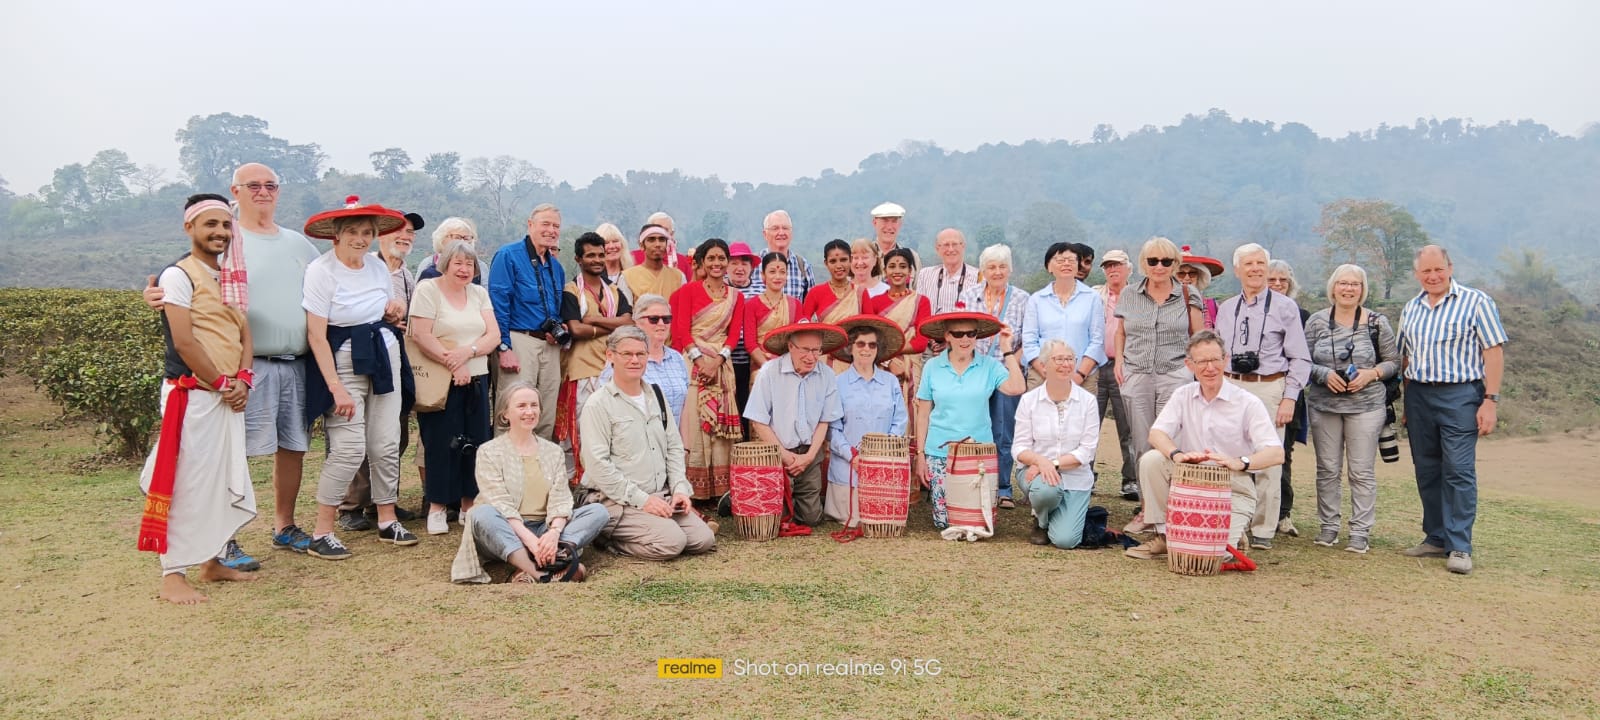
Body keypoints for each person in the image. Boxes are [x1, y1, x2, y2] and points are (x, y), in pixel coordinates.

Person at [144, 163, 323, 566]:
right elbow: (182, 282)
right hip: (242, 368)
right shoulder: (223, 239)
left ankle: (285, 525)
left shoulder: (299, 245)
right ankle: (222, 540)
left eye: (271, 185)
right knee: (230, 452)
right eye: (253, 185)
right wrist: (154, 294)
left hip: (294, 361)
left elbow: (328, 284)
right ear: (235, 191)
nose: (263, 192)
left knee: (293, 446)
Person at [140, 193, 259, 604]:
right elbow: (185, 342)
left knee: (218, 479)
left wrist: (242, 379)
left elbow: (244, 334)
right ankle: (172, 572)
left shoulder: (229, 276)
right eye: (211, 224)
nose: (220, 233)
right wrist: (224, 385)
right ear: (189, 228)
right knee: (186, 481)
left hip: (226, 394)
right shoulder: (178, 276)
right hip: (192, 397)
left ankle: (210, 561)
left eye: (226, 225)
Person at [301, 199, 420, 559]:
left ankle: (387, 517)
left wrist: (395, 308)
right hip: (343, 357)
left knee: (386, 442)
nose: (360, 238)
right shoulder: (320, 271)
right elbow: (316, 335)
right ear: (336, 235)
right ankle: (323, 529)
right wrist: (335, 386)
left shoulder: (376, 267)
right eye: (352, 232)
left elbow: (385, 307)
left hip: (384, 353)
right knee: (349, 448)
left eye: (366, 232)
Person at [1124, 330, 1285, 559]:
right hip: (1189, 480)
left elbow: (1276, 453)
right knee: (1152, 460)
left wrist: (1240, 462)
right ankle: (1164, 535)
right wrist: (1177, 454)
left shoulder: (1248, 402)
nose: (1210, 368)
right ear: (1190, 365)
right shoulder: (1183, 394)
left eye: (1215, 360)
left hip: (1231, 483)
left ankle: (1233, 535)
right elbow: (1157, 433)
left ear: (1225, 360)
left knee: (1211, 555)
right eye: (1202, 361)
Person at [1398, 245, 1507, 575]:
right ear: (1417, 274)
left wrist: (1491, 400)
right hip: (1418, 394)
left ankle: (1460, 546)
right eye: (1426, 271)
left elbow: (1494, 352)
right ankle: (1436, 536)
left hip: (1460, 394)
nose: (1433, 276)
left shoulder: (1476, 302)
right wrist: (1406, 401)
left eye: (1438, 270)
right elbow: (1405, 357)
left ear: (1450, 267)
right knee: (1427, 468)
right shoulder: (1411, 308)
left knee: (1458, 469)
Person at [580, 327, 716, 560]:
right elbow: (598, 466)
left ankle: (653, 526)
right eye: (627, 354)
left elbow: (673, 446)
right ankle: (607, 538)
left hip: (659, 495)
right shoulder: (597, 404)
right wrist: (643, 501)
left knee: (703, 539)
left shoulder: (656, 395)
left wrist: (680, 489)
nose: (635, 360)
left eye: (640, 354)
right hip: (615, 500)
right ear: (610, 356)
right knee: (672, 543)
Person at [451, 382, 608, 583]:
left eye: (534, 405)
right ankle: (538, 571)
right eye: (521, 406)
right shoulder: (489, 452)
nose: (529, 411)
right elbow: (501, 504)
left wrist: (553, 533)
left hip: (544, 527)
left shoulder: (553, 452)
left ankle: (550, 552)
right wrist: (531, 541)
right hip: (506, 529)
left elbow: (561, 499)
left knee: (598, 512)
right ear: (505, 414)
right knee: (481, 513)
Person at [1213, 243, 1312, 550]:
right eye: (1249, 263)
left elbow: (1301, 358)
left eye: (1260, 263)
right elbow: (1218, 353)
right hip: (1231, 384)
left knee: (1268, 459)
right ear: (1237, 270)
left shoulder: (1285, 307)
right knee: (1228, 456)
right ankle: (1231, 522)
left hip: (1270, 385)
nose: (1255, 269)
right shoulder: (1227, 308)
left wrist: (1290, 397)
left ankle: (1264, 530)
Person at [338, 211, 424, 532]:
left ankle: (381, 500)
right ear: (381, 234)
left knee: (394, 433)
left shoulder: (406, 275)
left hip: (397, 358)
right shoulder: (364, 265)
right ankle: (351, 504)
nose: (405, 236)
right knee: (359, 433)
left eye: (411, 233)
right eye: (399, 231)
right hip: (362, 355)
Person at [1304, 264, 1398, 554]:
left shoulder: (1376, 323)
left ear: (1363, 289)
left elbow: (1394, 361)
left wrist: (1370, 374)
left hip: (1366, 406)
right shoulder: (1317, 322)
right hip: (1324, 405)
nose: (1348, 289)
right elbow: (1302, 362)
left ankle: (1360, 530)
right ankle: (1328, 526)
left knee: (1361, 470)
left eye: (1355, 284)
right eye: (1343, 283)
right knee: (1327, 469)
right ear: (1333, 287)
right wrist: (1323, 375)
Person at [1113, 236, 1204, 532]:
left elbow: (1199, 339)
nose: (1159, 266)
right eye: (1153, 261)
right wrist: (1118, 362)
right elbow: (1121, 332)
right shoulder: (1129, 294)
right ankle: (1146, 510)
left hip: (1174, 374)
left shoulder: (1189, 295)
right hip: (1137, 373)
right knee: (1141, 443)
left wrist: (1194, 371)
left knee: (1170, 443)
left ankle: (1171, 509)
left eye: (1166, 261)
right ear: (1144, 263)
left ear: (1176, 264)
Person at [409, 241, 499, 536]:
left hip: (476, 376)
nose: (464, 269)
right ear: (444, 264)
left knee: (476, 441)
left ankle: (468, 504)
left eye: (469, 264)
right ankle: (437, 505)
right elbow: (421, 335)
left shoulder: (479, 293)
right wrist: (453, 364)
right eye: (458, 263)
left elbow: (493, 335)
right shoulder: (428, 290)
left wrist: (469, 352)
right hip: (440, 380)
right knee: (440, 442)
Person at [914, 313, 1026, 529]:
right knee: (944, 522)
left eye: (971, 333)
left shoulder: (990, 366)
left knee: (975, 522)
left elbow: (1017, 388)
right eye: (958, 333)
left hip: (977, 453)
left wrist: (1007, 349)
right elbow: (923, 414)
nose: (965, 339)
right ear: (947, 336)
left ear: (977, 336)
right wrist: (920, 455)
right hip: (939, 452)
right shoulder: (932, 367)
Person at [745, 323, 847, 527]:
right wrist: (785, 455)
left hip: (810, 452)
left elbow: (825, 421)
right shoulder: (769, 371)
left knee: (811, 519)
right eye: (806, 350)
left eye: (816, 350)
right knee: (776, 518)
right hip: (777, 452)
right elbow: (758, 420)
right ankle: (740, 496)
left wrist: (808, 457)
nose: (811, 357)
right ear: (791, 347)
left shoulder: (826, 374)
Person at [669, 239, 747, 501]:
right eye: (711, 258)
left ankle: (722, 491)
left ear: (727, 262)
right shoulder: (689, 292)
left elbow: (734, 335)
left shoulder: (736, 296)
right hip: (693, 364)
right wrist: (701, 361)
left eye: (721, 258)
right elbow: (681, 329)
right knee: (694, 424)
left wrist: (717, 361)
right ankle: (696, 490)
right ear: (702, 262)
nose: (716, 263)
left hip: (723, 367)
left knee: (721, 429)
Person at [554, 232, 634, 487]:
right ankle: (581, 484)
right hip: (581, 371)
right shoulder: (571, 290)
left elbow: (628, 322)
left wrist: (593, 320)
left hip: (611, 370)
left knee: (612, 430)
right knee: (581, 430)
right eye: (591, 255)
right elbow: (575, 331)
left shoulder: (614, 290)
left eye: (601, 254)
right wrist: (610, 326)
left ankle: (609, 484)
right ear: (578, 259)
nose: (597, 260)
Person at [958, 244, 1029, 507]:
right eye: (991, 267)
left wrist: (1011, 364)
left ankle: (1002, 487)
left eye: (1002, 266)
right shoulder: (970, 295)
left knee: (1003, 431)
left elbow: (1028, 339)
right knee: (972, 428)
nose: (997, 272)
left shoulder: (1023, 299)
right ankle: (970, 480)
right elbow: (960, 332)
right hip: (974, 372)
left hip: (1006, 372)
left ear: (1010, 268)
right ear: (983, 270)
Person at [1012, 340, 1100, 549]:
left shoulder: (1088, 401)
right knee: (1046, 491)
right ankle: (1041, 521)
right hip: (1036, 475)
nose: (1065, 364)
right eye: (1058, 359)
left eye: (1070, 359)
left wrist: (1049, 463)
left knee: (1065, 541)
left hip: (1075, 477)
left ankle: (1062, 515)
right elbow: (1019, 448)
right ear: (1043, 366)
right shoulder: (1029, 400)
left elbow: (1086, 451)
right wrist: (1038, 462)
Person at [488, 203, 566, 439]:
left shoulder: (556, 267)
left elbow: (555, 305)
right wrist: (504, 347)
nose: (551, 230)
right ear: (530, 225)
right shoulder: (508, 255)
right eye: (546, 224)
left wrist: (557, 327)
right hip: (518, 339)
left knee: (545, 412)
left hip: (549, 346)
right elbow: (498, 304)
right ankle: (505, 470)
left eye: (556, 226)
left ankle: (538, 470)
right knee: (513, 408)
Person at [825, 316, 908, 531]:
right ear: (850, 348)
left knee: (881, 517)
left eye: (872, 344)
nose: (866, 349)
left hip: (884, 464)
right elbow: (833, 429)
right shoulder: (837, 383)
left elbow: (900, 420)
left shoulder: (890, 381)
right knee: (853, 520)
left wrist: (884, 450)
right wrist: (852, 455)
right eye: (860, 344)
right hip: (848, 467)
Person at [867, 248, 931, 455]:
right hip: (881, 368)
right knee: (881, 413)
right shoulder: (874, 302)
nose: (897, 271)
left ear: (910, 271)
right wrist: (889, 360)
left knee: (913, 414)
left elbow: (921, 342)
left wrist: (891, 349)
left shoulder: (921, 301)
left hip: (912, 369)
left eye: (903, 266)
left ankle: (912, 478)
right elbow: (870, 339)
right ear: (884, 270)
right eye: (892, 266)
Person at [1022, 243, 1106, 394]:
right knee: (1042, 417)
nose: (1066, 263)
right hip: (1042, 376)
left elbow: (1097, 341)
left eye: (1072, 260)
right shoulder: (1036, 299)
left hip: (1083, 377)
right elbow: (1029, 340)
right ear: (1049, 267)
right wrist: (1047, 374)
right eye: (1060, 260)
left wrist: (1079, 376)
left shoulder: (1092, 298)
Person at [1267, 258, 1311, 538]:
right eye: (1272, 279)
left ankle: (1282, 513)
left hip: (1290, 394)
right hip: (1259, 387)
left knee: (1283, 455)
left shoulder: (1302, 315)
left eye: (1283, 280)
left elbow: (1305, 358)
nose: (1278, 284)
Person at [1094, 249, 1140, 500]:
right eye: (1108, 266)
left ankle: (1131, 480)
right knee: (1090, 424)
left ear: (1128, 269)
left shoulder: (1138, 297)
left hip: (1127, 366)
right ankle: (1085, 475)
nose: (1113, 270)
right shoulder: (1094, 295)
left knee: (1128, 426)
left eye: (1118, 265)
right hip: (1096, 366)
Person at [599, 294, 689, 422]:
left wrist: (683, 442)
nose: (661, 324)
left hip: (673, 440)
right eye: (653, 319)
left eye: (666, 319)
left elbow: (684, 411)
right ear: (637, 322)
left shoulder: (677, 359)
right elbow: (607, 406)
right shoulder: (624, 359)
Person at [744, 252, 802, 380]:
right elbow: (750, 343)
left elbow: (799, 339)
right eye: (772, 272)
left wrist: (788, 366)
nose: (778, 276)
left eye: (782, 272)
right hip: (761, 368)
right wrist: (767, 367)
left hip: (790, 366)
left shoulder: (795, 304)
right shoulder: (751, 305)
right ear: (763, 275)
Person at [726, 241, 762, 430]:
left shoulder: (761, 291)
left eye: (744, 263)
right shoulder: (721, 290)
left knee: (751, 408)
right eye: (734, 263)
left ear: (752, 268)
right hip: (726, 361)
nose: (739, 268)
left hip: (754, 361)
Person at [801, 239, 867, 324]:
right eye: (833, 261)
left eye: (843, 260)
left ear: (850, 260)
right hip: (824, 337)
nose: (838, 266)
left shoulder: (860, 293)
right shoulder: (815, 293)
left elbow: (869, 326)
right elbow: (804, 322)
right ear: (826, 263)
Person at [915, 228, 978, 316]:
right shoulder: (925, 275)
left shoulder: (978, 277)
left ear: (963, 246)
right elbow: (918, 311)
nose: (951, 249)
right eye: (946, 245)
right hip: (932, 328)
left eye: (955, 244)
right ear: (937, 249)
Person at [755, 210, 814, 301]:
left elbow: (810, 306)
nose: (781, 233)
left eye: (785, 228)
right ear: (765, 234)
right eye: (775, 228)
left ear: (791, 233)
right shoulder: (753, 265)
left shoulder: (803, 266)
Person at [619, 223, 686, 304]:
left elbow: (683, 308)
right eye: (651, 240)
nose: (657, 244)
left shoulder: (678, 277)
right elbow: (626, 314)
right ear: (641, 245)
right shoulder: (627, 277)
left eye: (661, 240)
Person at [418, 217, 488, 284]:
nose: (462, 242)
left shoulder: (479, 268)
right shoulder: (428, 266)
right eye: (457, 237)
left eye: (466, 238)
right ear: (442, 239)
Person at [628, 211, 693, 272]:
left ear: (672, 234)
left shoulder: (682, 261)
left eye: (665, 230)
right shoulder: (632, 258)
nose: (660, 233)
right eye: (656, 229)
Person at [1176, 247, 1224, 329]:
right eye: (1181, 273)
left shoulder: (1212, 305)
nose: (1187, 278)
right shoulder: (1166, 305)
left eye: (1192, 273)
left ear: (1199, 277)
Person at [870, 201, 919, 270]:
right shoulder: (863, 257)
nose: (889, 227)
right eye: (885, 221)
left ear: (900, 224)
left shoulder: (912, 257)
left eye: (894, 221)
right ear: (874, 223)